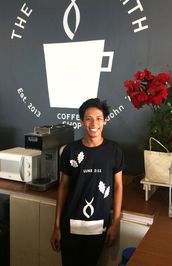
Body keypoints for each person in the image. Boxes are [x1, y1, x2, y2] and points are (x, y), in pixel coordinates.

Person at [51, 98, 123, 266]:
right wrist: (56, 226)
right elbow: (63, 187)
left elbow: (118, 186)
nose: (94, 123)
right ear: (81, 121)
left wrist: (116, 223)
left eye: (99, 118)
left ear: (105, 120)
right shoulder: (70, 150)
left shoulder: (114, 150)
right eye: (88, 118)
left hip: (99, 226)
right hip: (70, 226)